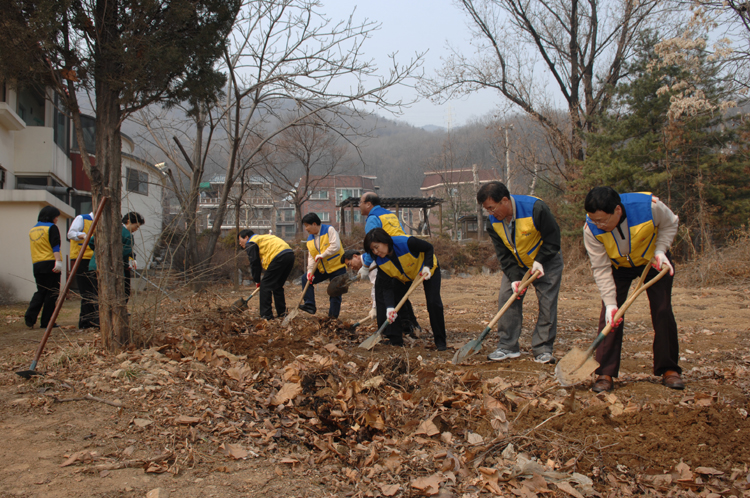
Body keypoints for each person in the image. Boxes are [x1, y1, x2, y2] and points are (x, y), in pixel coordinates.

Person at [583, 187, 683, 392]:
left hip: (652, 260)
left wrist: (661, 250)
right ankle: (605, 373)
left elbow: (671, 222)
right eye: (594, 220)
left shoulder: (650, 207)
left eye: (602, 220)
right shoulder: (591, 229)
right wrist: (611, 303)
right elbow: (600, 268)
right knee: (610, 316)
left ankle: (669, 369)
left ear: (617, 210)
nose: (598, 225)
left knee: (662, 310)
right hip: (618, 266)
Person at [476, 181, 564, 364]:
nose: (490, 213)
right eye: (486, 210)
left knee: (547, 303)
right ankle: (507, 346)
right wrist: (515, 277)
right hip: (518, 264)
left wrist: (540, 261)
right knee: (506, 298)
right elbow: (503, 254)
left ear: (505, 201)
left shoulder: (535, 208)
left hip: (546, 261)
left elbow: (553, 238)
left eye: (491, 208)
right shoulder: (493, 223)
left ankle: (543, 349)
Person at [363, 228, 446, 350]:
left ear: (385, 241)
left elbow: (428, 247)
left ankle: (440, 342)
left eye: (377, 246)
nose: (376, 251)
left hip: (427, 270)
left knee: (433, 302)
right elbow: (387, 287)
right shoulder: (380, 261)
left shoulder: (406, 243)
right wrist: (390, 308)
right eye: (372, 250)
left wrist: (427, 266)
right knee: (394, 300)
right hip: (405, 276)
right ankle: (396, 340)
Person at [357, 191, 422, 336]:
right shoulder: (390, 215)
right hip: (400, 255)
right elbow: (402, 233)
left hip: (386, 257)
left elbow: (372, 245)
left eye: (360, 202)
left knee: (382, 292)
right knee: (399, 293)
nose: (359, 206)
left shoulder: (373, 218)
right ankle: (410, 324)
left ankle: (387, 330)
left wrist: (366, 266)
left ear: (368, 204)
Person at [88, 212, 144, 325]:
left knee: (97, 294)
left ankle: (97, 321)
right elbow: (124, 253)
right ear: (128, 222)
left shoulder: (106, 228)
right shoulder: (127, 235)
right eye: (136, 226)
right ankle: (109, 319)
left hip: (95, 265)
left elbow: (91, 242)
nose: (136, 229)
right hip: (112, 269)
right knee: (122, 292)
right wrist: (127, 263)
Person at [238, 229, 295, 320]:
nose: (240, 243)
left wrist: (257, 280)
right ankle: (282, 313)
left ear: (246, 237)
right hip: (289, 254)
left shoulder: (251, 242)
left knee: (265, 286)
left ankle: (266, 315)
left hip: (278, 256)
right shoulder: (262, 238)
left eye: (240, 240)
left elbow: (254, 263)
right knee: (277, 285)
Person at [299, 213, 347, 317]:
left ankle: (332, 318)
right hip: (323, 269)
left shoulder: (329, 230)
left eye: (307, 225)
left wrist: (323, 255)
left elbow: (336, 246)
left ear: (314, 224)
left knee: (335, 293)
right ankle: (310, 305)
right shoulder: (310, 239)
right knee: (305, 279)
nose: (306, 229)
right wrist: (310, 271)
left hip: (337, 267)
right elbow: (311, 257)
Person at [25, 206, 63, 329]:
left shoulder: (33, 230)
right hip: (50, 262)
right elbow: (55, 245)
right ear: (51, 217)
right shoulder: (51, 228)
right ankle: (46, 322)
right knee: (52, 293)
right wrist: (58, 261)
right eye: (56, 216)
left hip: (37, 264)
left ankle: (30, 317)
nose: (57, 219)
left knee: (41, 291)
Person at [68, 211, 97, 328]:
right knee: (86, 291)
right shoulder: (82, 218)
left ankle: (94, 320)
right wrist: (84, 235)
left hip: (95, 258)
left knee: (95, 290)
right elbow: (70, 234)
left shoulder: (102, 221)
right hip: (82, 258)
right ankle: (85, 322)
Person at [342, 250, 377, 321]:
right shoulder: (367, 260)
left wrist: (374, 307)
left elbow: (377, 286)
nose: (351, 267)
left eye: (350, 264)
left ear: (355, 256)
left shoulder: (371, 262)